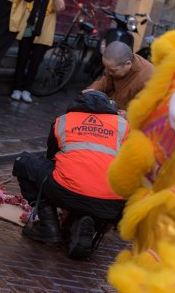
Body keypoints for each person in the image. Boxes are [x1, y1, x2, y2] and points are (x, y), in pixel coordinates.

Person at [12, 90, 129, 259]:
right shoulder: (123, 125)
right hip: (112, 204)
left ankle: (49, 226)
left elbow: (51, 158)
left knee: (24, 162)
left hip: (66, 192)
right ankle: (91, 222)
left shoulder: (63, 121)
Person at [10, 0, 65, 103]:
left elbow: (60, 7)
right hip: (28, 27)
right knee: (22, 58)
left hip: (43, 31)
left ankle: (26, 89)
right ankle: (16, 88)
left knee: (35, 62)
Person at [85, 41, 154, 116]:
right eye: (107, 69)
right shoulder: (116, 65)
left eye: (112, 70)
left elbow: (150, 108)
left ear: (128, 64)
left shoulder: (149, 76)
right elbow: (105, 82)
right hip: (111, 110)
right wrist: (93, 90)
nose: (109, 73)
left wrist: (129, 115)